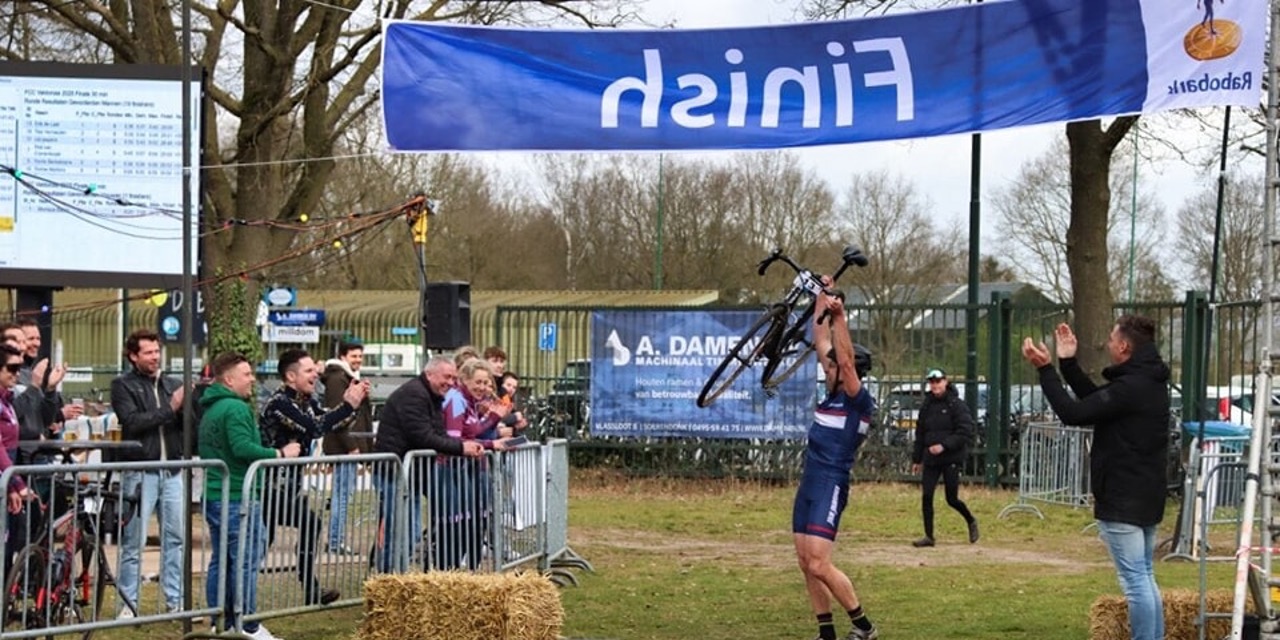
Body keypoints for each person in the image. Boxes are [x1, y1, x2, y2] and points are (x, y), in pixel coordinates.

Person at [1021, 317, 1170, 640]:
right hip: (1146, 493)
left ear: (1124, 347)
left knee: (1134, 581)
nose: (1106, 343)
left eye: (1110, 338)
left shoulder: (1131, 387)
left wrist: (1046, 370)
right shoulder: (1149, 381)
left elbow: (1074, 414)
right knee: (1144, 575)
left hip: (1122, 496)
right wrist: (1068, 363)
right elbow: (1096, 404)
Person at [793, 285, 878, 640]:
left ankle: (864, 627)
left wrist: (841, 316)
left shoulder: (859, 401)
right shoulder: (832, 394)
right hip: (810, 481)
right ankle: (825, 631)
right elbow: (819, 338)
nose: (828, 369)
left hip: (831, 481)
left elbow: (842, 358)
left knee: (819, 562)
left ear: (851, 373)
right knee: (805, 564)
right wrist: (822, 297)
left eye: (836, 368)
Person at [199, 352, 299, 640]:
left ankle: (224, 621)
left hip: (218, 493)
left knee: (223, 559)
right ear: (229, 379)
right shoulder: (235, 408)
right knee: (244, 559)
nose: (252, 379)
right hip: (236, 494)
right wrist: (280, 453)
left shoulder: (213, 407)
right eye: (246, 374)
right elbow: (242, 448)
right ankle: (247, 624)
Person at [258, 348, 365, 605]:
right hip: (267, 486)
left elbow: (330, 423)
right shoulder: (279, 403)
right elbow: (315, 427)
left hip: (288, 487)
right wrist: (346, 406)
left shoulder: (306, 401)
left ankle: (308, 589)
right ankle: (308, 588)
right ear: (290, 376)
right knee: (305, 525)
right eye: (308, 371)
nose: (315, 375)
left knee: (267, 538)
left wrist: (353, 404)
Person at [372, 356, 482, 572]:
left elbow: (437, 433)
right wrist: (461, 448)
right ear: (429, 374)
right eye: (446, 377)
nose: (450, 382)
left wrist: (462, 446)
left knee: (406, 530)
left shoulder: (432, 396)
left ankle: (395, 577)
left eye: (453, 378)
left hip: (412, 473)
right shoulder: (414, 395)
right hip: (393, 472)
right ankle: (388, 579)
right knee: (402, 530)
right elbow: (423, 436)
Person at [110, 329, 187, 616]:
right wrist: (171, 408)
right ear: (133, 356)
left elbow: (186, 422)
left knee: (175, 539)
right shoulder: (123, 385)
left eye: (157, 352)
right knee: (133, 541)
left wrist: (185, 407)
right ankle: (128, 604)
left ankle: (174, 600)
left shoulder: (172, 383)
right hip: (141, 472)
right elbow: (132, 422)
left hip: (173, 471)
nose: (155, 357)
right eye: (149, 353)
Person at [438, 359, 513, 569]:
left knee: (469, 522)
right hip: (449, 468)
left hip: (463, 468)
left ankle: (465, 569)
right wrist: (491, 442)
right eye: (477, 382)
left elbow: (471, 433)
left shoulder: (469, 402)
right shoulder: (456, 399)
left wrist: (492, 419)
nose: (482, 387)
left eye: (486, 382)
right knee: (454, 524)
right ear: (465, 380)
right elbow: (456, 440)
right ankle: (445, 571)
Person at [910, 368, 979, 547]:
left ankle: (970, 520)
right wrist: (917, 459)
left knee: (952, 499)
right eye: (932, 382)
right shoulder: (926, 406)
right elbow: (920, 433)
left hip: (951, 458)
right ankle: (929, 536)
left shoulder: (956, 404)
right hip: (931, 459)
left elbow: (965, 431)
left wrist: (944, 446)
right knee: (926, 496)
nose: (935, 385)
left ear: (945, 382)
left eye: (938, 381)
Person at [321, 341, 373, 556]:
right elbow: (338, 416)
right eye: (354, 356)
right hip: (342, 446)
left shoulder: (350, 378)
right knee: (342, 495)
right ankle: (335, 540)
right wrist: (351, 446)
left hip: (350, 443)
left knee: (344, 494)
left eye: (360, 356)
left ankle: (336, 538)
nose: (358, 360)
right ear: (343, 356)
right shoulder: (336, 380)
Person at [1, 343, 36, 570]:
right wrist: (17, 483)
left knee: (8, 546)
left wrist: (12, 487)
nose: (16, 374)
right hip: (7, 475)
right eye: (11, 368)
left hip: (5, 478)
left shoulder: (8, 400)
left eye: (19, 368)